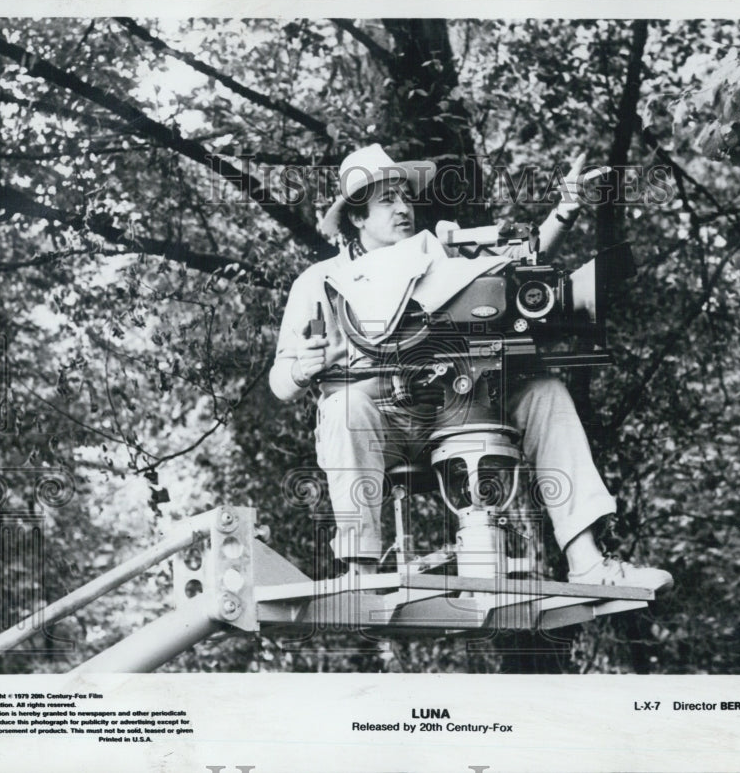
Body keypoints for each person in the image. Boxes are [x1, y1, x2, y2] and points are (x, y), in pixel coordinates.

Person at [270, 144, 672, 592]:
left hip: (460, 407)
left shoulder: (439, 259)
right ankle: (360, 573)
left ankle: (587, 559)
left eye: (405, 196)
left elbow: (520, 273)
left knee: (544, 391)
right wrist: (301, 368)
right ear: (358, 218)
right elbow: (279, 383)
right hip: (383, 427)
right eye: (387, 200)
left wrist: (565, 210)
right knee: (345, 407)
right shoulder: (321, 281)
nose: (404, 208)